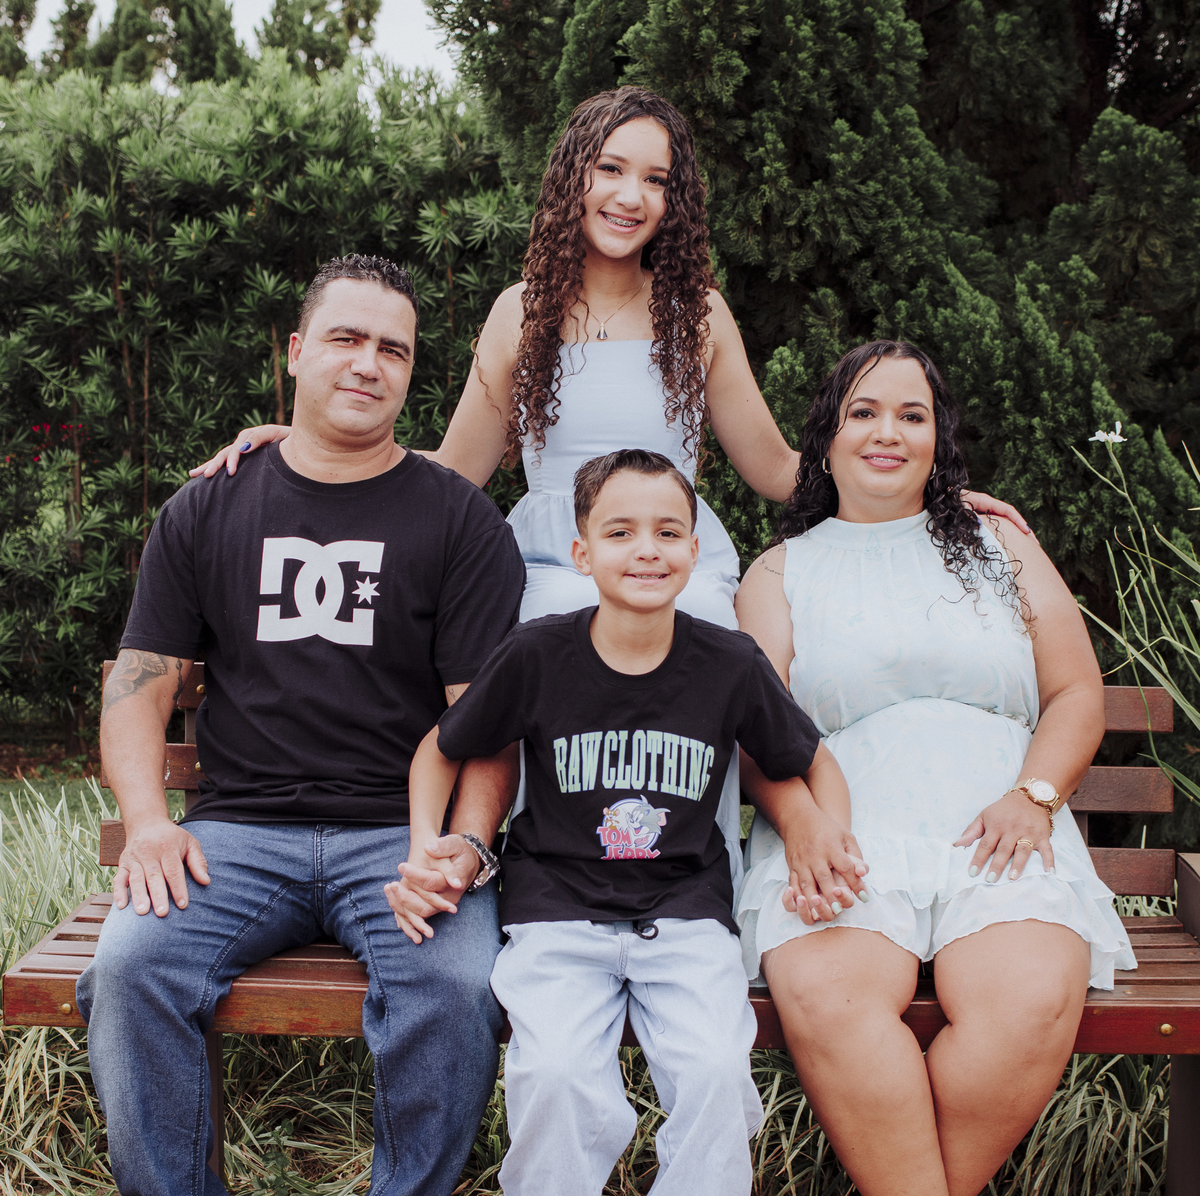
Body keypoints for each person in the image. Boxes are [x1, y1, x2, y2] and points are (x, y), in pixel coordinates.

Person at [193, 87, 1027, 889]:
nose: (632, 196)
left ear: (675, 202)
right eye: (612, 169)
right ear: (574, 178)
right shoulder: (521, 312)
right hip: (556, 558)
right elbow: (452, 470)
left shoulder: (697, 314)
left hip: (672, 555)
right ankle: (544, 885)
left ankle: (700, 886)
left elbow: (778, 469)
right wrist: (308, 444)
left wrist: (930, 487)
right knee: (538, 645)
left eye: (656, 180)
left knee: (708, 643)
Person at [76, 253, 526, 1196]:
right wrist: (148, 822)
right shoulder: (211, 507)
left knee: (454, 981)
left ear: (412, 374)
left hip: (397, 836)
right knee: (132, 966)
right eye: (346, 339)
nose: (368, 363)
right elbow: (140, 684)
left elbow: (485, 725)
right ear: (295, 352)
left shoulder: (456, 519)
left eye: (393, 349)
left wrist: (464, 848)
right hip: (241, 836)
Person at [389, 448, 862, 1196]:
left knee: (716, 1083)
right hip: (557, 917)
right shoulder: (537, 653)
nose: (646, 550)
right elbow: (443, 746)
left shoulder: (727, 662)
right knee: (557, 1079)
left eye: (667, 531)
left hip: (684, 920)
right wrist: (432, 844)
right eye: (621, 532)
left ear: (694, 551)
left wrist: (827, 836)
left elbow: (809, 760)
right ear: (581, 552)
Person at [734, 340, 1135, 1196]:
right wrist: (803, 822)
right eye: (863, 412)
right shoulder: (780, 572)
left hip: (995, 821)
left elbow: (1076, 693)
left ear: (938, 438)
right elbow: (758, 719)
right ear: (826, 436)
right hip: (841, 825)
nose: (887, 433)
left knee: (1028, 1001)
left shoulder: (1000, 546)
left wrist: (1035, 797)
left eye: (911, 415)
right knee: (828, 994)